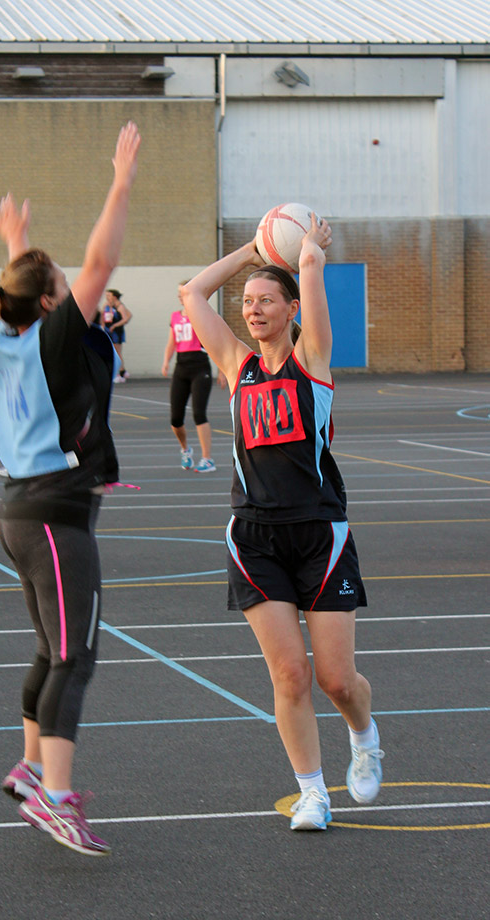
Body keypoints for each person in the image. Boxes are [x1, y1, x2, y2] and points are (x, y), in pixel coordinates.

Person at [0, 122, 141, 855]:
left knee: (48, 648)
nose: (76, 283)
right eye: (64, 282)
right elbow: (102, 256)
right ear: (57, 299)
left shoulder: (7, 334)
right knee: (75, 656)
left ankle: (32, 770)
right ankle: (55, 797)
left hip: (20, 512)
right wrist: (120, 177)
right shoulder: (57, 332)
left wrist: (15, 241)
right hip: (55, 513)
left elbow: (23, 288)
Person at [181, 215, 384, 831]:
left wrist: (307, 253)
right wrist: (252, 250)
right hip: (255, 537)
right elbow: (192, 293)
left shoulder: (312, 361)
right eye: (247, 302)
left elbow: (312, 277)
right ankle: (312, 792)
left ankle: (365, 734)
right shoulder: (236, 367)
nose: (253, 310)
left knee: (336, 679)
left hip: (320, 533)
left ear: (292, 309)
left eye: (267, 300)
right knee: (289, 673)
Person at [161, 281, 219, 472]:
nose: (180, 295)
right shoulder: (175, 317)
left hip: (200, 366)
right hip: (181, 367)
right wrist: (166, 361)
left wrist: (221, 369)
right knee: (175, 419)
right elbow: (171, 343)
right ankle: (185, 449)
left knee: (198, 413)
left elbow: (213, 342)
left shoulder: (200, 315)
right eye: (179, 292)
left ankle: (207, 458)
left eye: (183, 292)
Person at [102, 288, 132, 382]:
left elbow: (126, 318)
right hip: (108, 330)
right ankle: (123, 371)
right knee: (112, 351)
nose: (107, 297)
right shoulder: (107, 305)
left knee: (116, 352)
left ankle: (118, 373)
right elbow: (103, 317)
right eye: (106, 296)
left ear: (114, 297)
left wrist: (115, 325)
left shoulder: (120, 306)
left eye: (109, 296)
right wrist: (102, 326)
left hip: (116, 332)